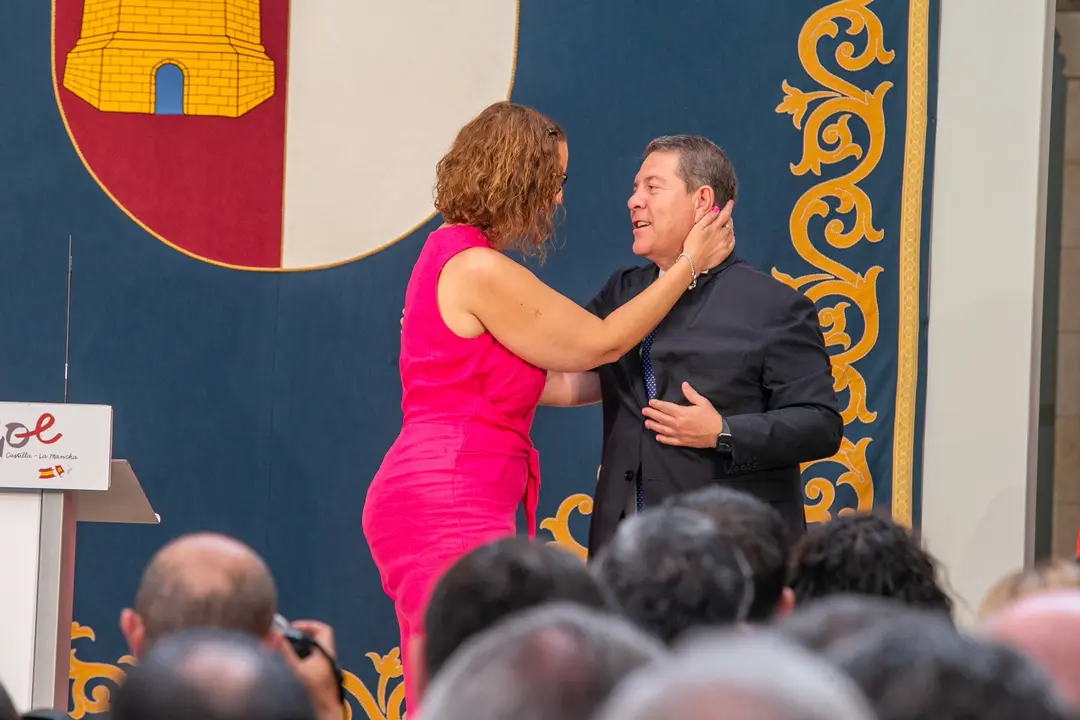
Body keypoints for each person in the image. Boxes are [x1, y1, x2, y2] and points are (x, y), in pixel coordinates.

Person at [362, 102, 734, 711]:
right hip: (449, 490)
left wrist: (665, 363)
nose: (557, 202)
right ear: (521, 177)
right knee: (473, 687)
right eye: (555, 183)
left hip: (441, 486)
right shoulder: (477, 267)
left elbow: (562, 383)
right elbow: (602, 341)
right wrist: (689, 265)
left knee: (457, 684)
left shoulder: (451, 255)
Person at [540, 135, 841, 552]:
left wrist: (724, 431)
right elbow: (568, 366)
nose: (634, 201)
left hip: (729, 554)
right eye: (634, 189)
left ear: (702, 200)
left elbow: (821, 424)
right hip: (624, 553)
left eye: (652, 187)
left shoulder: (773, 306)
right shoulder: (623, 292)